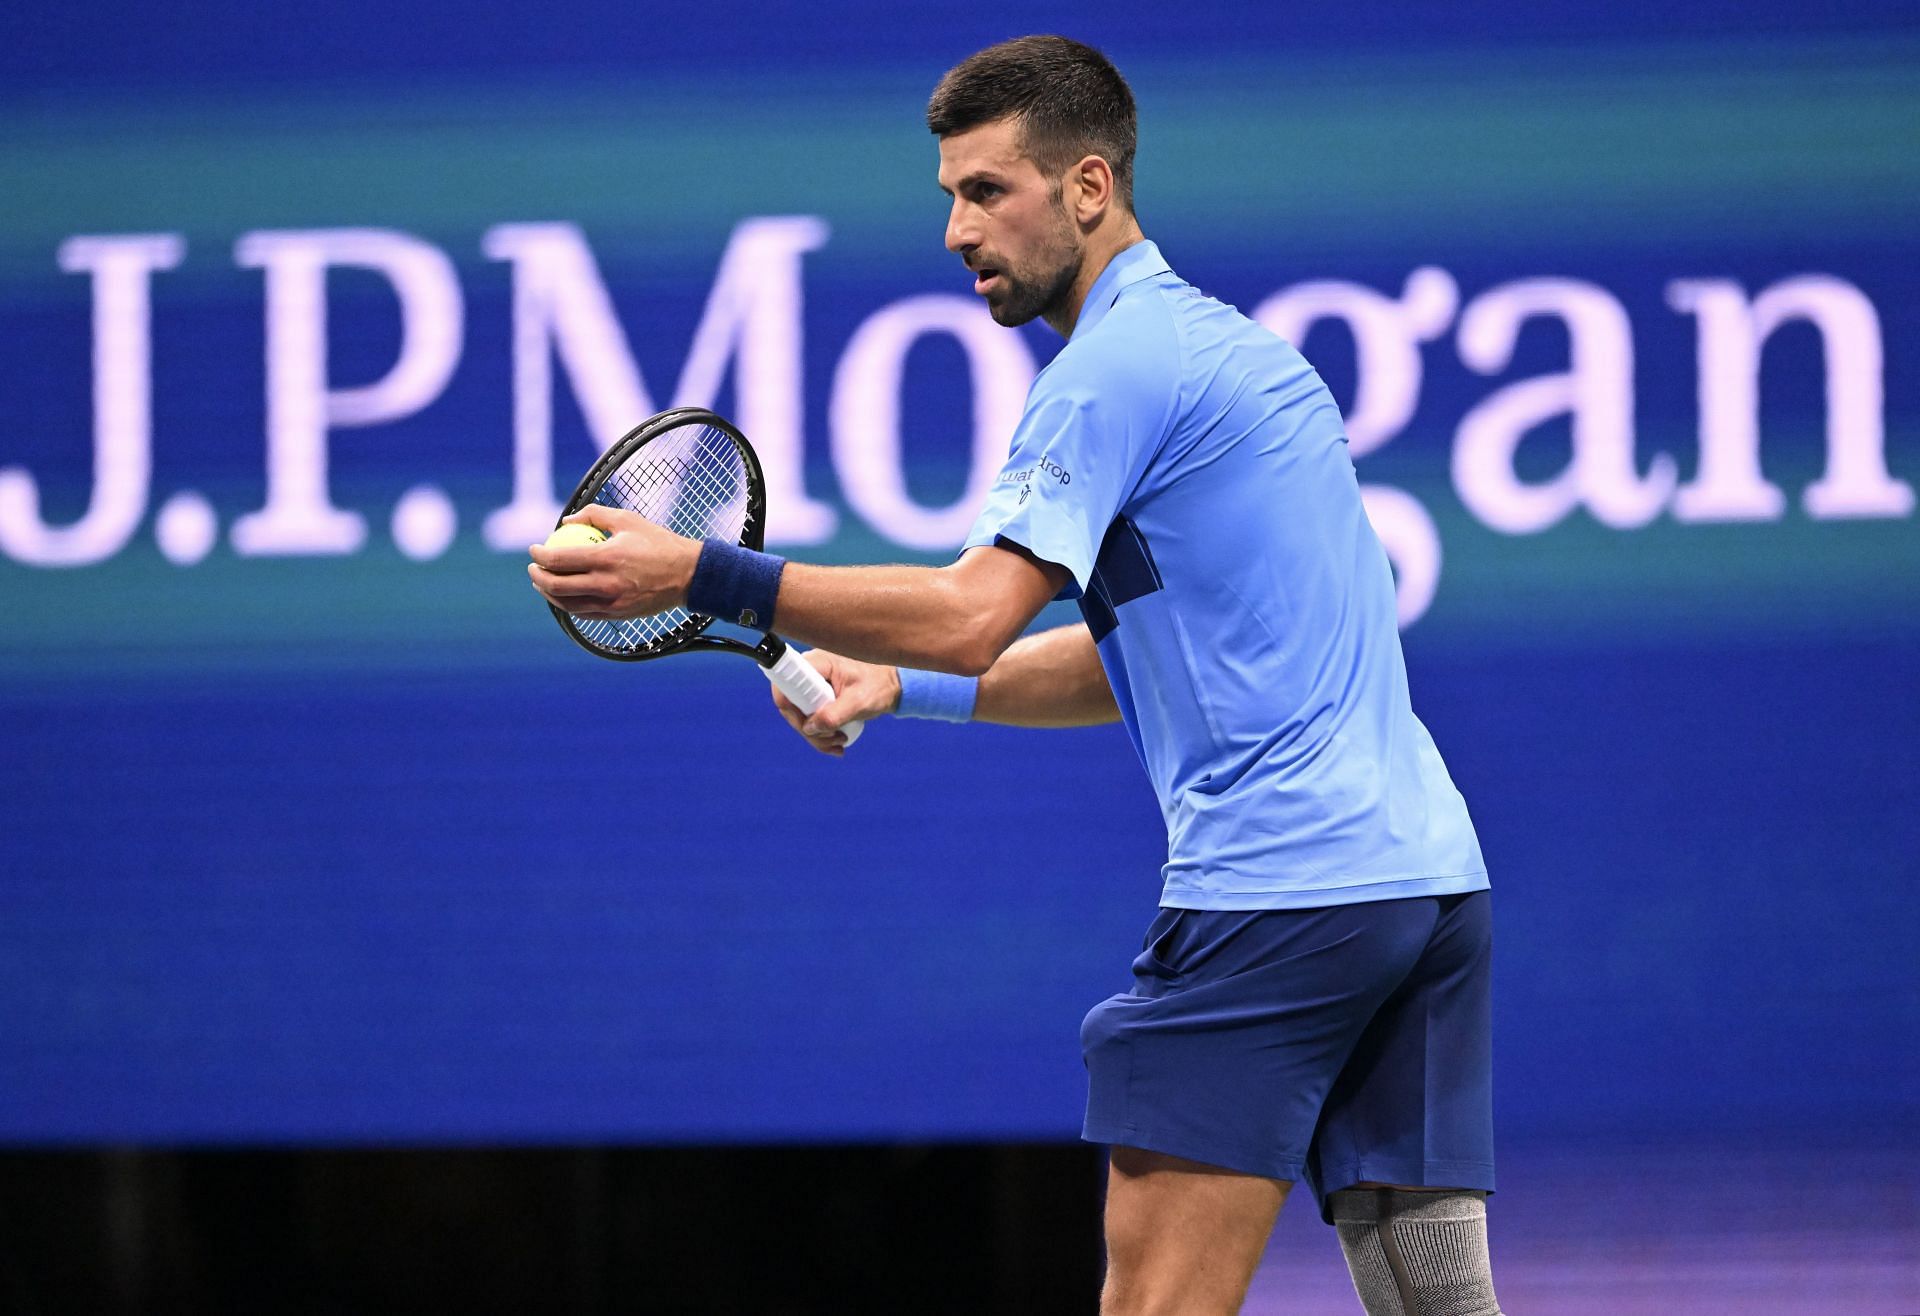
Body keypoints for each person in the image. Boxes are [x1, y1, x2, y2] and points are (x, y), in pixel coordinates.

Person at [528, 35, 1503, 1316]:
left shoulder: (1105, 373)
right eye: (948, 194)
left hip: (1281, 893)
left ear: (1088, 188)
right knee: (1436, 1303)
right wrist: (899, 688)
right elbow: (1145, 668)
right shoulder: (1244, 359)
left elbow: (970, 613)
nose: (954, 229)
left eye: (987, 190)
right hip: (1426, 889)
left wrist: (703, 574)